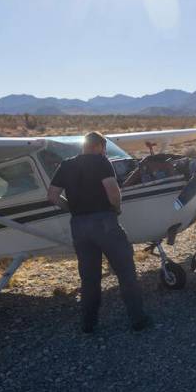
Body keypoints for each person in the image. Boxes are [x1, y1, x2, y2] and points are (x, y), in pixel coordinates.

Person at [47, 132, 151, 333]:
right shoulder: (101, 162)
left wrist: (72, 209)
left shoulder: (66, 164)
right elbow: (113, 191)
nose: (104, 152)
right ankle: (138, 319)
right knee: (125, 271)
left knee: (89, 278)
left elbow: (52, 195)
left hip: (78, 225)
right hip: (104, 222)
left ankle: (88, 323)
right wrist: (117, 208)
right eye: (104, 148)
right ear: (99, 147)